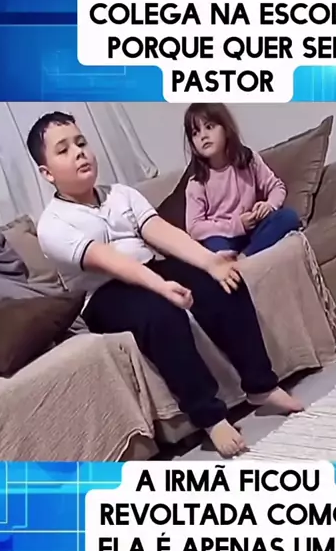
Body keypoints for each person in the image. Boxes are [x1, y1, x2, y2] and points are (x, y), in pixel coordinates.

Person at [27, 112, 303, 458]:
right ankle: (210, 417)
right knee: (161, 314)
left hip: (150, 266)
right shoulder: (52, 224)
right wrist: (161, 286)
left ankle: (261, 387)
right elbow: (110, 262)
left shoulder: (121, 194)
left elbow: (160, 232)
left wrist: (211, 262)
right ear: (47, 173)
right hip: (104, 294)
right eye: (63, 149)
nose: (79, 153)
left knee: (223, 282)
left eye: (81, 143)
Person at [184, 103, 300, 256]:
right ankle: (234, 260)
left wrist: (269, 205)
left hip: (253, 229)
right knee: (213, 245)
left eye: (209, 127)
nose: (203, 136)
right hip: (224, 236)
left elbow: (276, 187)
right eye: (195, 133)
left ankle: (245, 257)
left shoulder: (249, 159)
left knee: (288, 217)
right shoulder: (197, 182)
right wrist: (236, 226)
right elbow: (194, 228)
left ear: (225, 128)